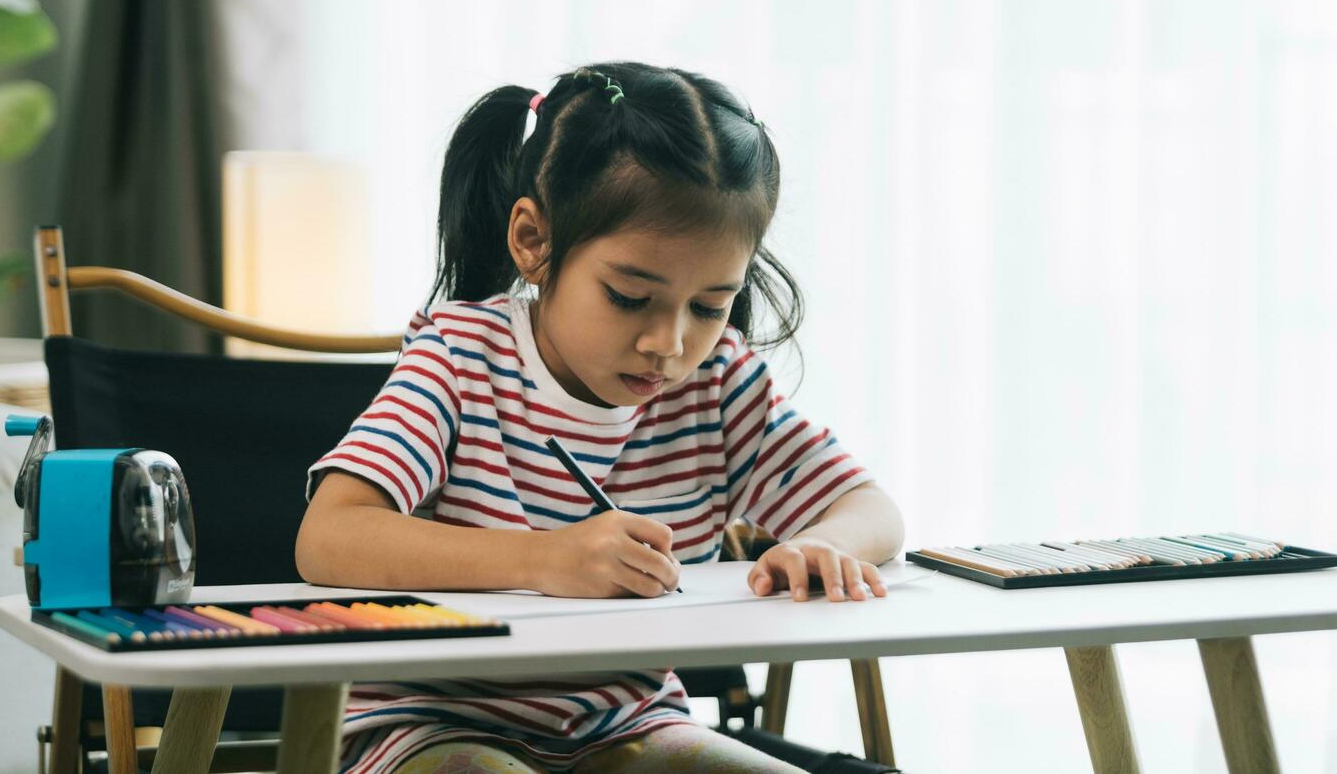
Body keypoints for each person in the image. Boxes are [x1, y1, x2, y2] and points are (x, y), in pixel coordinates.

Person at [296, 63, 906, 773]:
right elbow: (329, 535)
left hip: (627, 723)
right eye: (628, 296)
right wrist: (546, 560)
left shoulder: (717, 383)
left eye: (710, 307)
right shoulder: (460, 356)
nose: (669, 344)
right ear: (533, 241)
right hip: (424, 724)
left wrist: (822, 545)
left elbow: (872, 510)